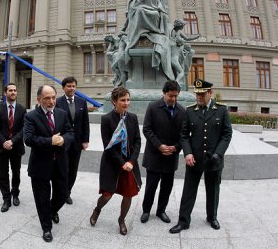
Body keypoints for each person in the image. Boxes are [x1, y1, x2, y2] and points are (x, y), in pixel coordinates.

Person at [169, 79, 232, 234]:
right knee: (188, 190)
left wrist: (218, 154)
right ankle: (183, 221)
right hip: (194, 159)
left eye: (202, 94)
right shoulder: (190, 111)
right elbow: (184, 135)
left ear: (210, 93)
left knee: (213, 190)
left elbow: (227, 134)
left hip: (213, 159)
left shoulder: (222, 110)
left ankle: (212, 217)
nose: (199, 97)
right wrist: (188, 153)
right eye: (197, 94)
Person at [24, 85, 74, 242]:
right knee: (42, 198)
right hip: (40, 166)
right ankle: (46, 227)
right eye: (47, 98)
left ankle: (51, 211)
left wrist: (63, 139)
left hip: (60, 163)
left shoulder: (62, 113)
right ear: (39, 100)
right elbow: (29, 139)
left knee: (63, 194)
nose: (51, 101)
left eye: (53, 97)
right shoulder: (30, 117)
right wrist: (50, 141)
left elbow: (70, 133)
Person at [89, 87, 141, 236]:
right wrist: (121, 162)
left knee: (128, 195)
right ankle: (97, 210)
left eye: (128, 100)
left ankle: (121, 220)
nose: (126, 103)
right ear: (114, 102)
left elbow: (137, 141)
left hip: (130, 164)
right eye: (122, 100)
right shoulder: (106, 119)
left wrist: (131, 161)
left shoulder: (133, 118)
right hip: (112, 163)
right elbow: (108, 145)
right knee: (107, 194)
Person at [140, 80, 186, 224]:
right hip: (154, 155)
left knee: (167, 187)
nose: (173, 99)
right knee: (151, 186)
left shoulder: (182, 111)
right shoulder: (153, 107)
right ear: (164, 93)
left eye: (175, 96)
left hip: (171, 157)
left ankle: (161, 211)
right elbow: (147, 129)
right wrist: (159, 146)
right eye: (170, 96)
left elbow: (184, 134)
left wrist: (176, 147)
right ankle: (146, 210)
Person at [0, 83, 26, 213]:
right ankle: (6, 198)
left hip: (16, 147)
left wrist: (12, 141)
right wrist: (4, 142)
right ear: (5, 93)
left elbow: (24, 129)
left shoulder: (22, 109)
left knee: (16, 173)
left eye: (15, 90)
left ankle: (15, 194)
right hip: (1, 148)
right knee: (2, 174)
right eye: (10, 90)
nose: (13, 92)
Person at [56, 77, 90, 205]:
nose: (71, 88)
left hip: (77, 142)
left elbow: (85, 122)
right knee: (63, 169)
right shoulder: (58, 102)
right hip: (63, 142)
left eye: (73, 86)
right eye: (69, 86)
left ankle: (67, 193)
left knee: (73, 170)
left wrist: (85, 140)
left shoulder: (82, 102)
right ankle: (62, 192)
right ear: (64, 88)